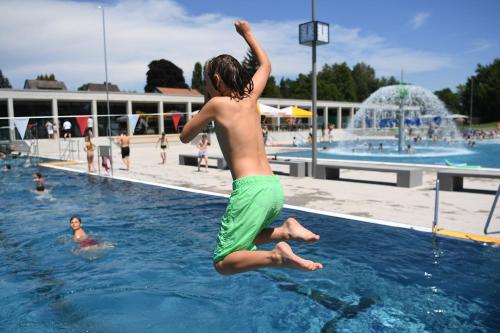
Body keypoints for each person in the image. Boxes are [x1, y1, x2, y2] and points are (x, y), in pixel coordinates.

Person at [180, 20, 322, 275]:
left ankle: (277, 256)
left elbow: (185, 135)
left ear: (215, 80)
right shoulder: (251, 96)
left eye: (207, 84)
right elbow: (266, 65)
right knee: (246, 241)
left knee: (223, 262)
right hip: (273, 188)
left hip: (250, 190)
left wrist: (206, 100)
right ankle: (286, 230)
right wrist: (247, 34)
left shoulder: (216, 104)